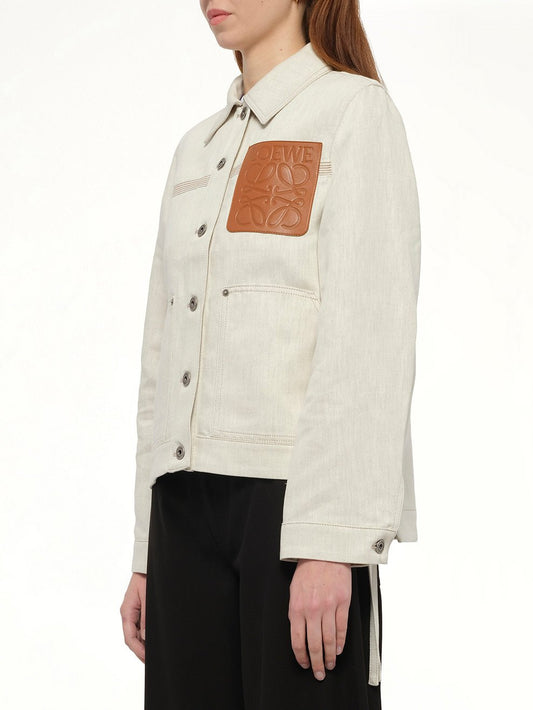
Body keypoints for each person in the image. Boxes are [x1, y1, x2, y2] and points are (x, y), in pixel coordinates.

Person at [120, 1, 421, 708]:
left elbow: (368, 338)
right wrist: (145, 552)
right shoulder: (196, 149)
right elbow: (160, 354)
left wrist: (330, 543)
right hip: (181, 507)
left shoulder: (352, 113)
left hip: (291, 509)